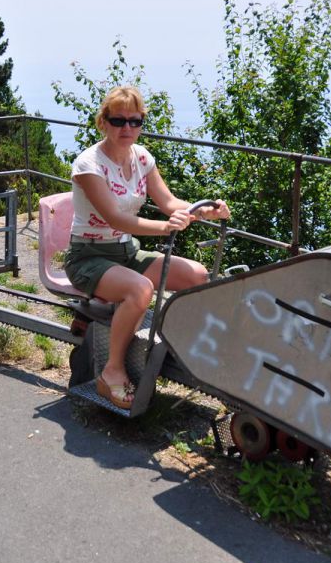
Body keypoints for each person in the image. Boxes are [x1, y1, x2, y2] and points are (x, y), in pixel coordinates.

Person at [64, 86, 231, 409]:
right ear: (103, 123)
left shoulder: (142, 158)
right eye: (118, 120)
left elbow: (169, 202)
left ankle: (187, 346)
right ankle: (111, 371)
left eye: (135, 121)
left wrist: (204, 211)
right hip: (89, 256)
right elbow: (116, 217)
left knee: (197, 275)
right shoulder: (89, 165)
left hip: (126, 252)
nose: (127, 128)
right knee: (141, 290)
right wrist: (165, 227)